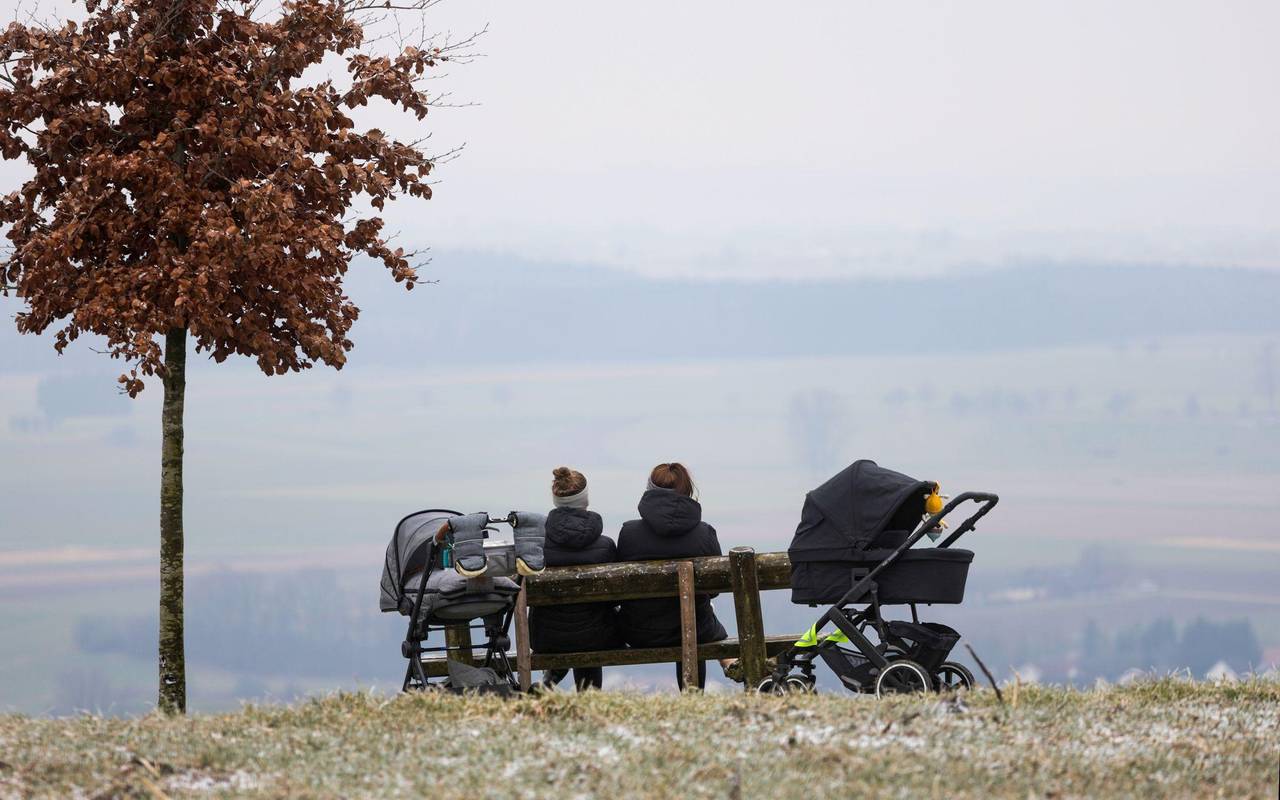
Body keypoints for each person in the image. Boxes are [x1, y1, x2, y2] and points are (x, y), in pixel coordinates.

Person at [616, 462, 738, 690]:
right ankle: (694, 691)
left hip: (640, 632)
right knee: (695, 615)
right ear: (688, 491)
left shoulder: (629, 533)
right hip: (695, 631)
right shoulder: (704, 534)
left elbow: (621, 590)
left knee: (693, 616)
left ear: (649, 490)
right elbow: (715, 589)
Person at [529, 467, 623, 691]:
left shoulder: (537, 548)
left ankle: (548, 682)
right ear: (585, 499)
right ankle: (589, 696)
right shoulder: (605, 546)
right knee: (589, 626)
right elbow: (614, 598)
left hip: (546, 639)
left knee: (571, 626)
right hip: (597, 637)